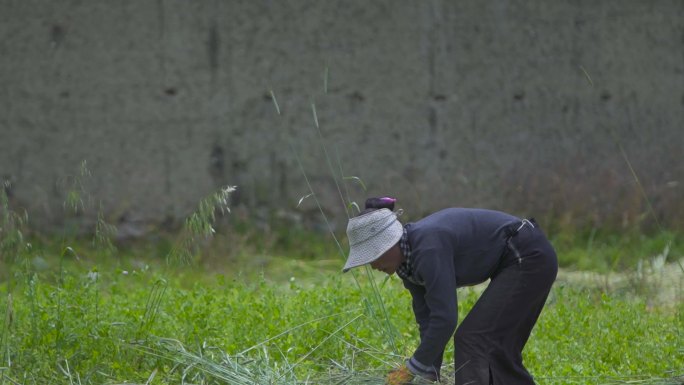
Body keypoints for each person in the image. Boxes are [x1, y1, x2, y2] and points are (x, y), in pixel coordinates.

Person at [342, 197, 558, 385]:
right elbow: (428, 319)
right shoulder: (406, 264)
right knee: (497, 350)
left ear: (389, 243)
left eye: (373, 256)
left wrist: (411, 369)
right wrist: (428, 371)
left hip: (528, 255)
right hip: (519, 258)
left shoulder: (427, 248)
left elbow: (445, 318)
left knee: (473, 339)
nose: (373, 266)